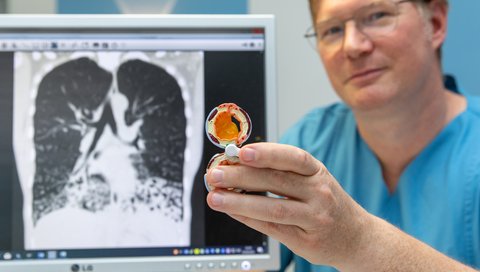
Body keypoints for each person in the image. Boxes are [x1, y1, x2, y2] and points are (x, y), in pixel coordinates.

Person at [205, 0, 480, 271]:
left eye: (377, 15)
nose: (352, 46)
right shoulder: (310, 142)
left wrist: (358, 241)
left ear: (435, 23)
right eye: (332, 30)